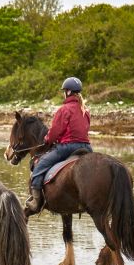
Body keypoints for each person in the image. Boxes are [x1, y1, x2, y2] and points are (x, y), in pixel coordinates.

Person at [25, 77, 93, 215]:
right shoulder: (85, 110)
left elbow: (55, 131)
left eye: (64, 91)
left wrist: (47, 139)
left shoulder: (64, 109)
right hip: (86, 147)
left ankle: (36, 201)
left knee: (40, 166)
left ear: (67, 92)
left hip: (68, 147)